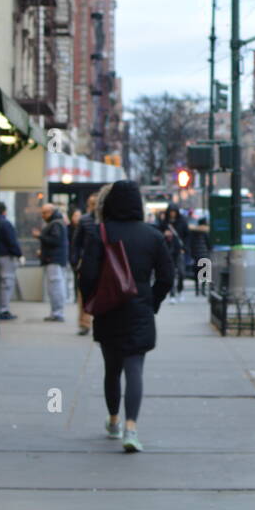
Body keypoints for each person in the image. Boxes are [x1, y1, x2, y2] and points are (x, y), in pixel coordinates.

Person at [78, 180, 174, 453]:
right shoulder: (153, 236)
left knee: (112, 369)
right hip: (140, 309)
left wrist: (92, 301)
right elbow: (167, 276)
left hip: (108, 309)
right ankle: (131, 427)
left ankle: (113, 420)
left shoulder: (100, 233)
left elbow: (87, 276)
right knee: (135, 370)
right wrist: (152, 302)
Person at [70, 193, 98, 335]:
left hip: (98, 261)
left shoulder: (105, 220)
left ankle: (89, 322)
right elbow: (76, 242)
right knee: (84, 294)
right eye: (92, 204)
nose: (94, 207)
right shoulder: (85, 220)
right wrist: (75, 262)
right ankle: (84, 322)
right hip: (86, 261)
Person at [38, 203, 69, 321]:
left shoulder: (56, 224)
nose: (43, 215)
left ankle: (58, 312)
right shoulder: (57, 223)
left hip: (54, 259)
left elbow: (55, 241)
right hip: (53, 259)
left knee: (55, 286)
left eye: (44, 213)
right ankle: (56, 311)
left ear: (51, 212)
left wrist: (40, 236)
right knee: (54, 286)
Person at [0, 202, 23, 320]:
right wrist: (19, 254)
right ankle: (3, 309)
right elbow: (12, 241)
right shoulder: (5, 223)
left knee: (0, 283)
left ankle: (0, 308)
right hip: (6, 256)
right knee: (7, 283)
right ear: (4, 211)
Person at [157, 203, 187, 302]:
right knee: (171, 273)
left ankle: (180, 290)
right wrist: (164, 234)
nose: (172, 214)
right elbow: (157, 235)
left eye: (174, 212)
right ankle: (172, 294)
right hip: (168, 250)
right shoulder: (164, 223)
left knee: (182, 272)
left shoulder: (182, 222)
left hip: (179, 250)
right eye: (171, 212)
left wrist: (185, 248)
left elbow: (187, 236)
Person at [186, 217, 211, 297]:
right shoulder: (205, 233)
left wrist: (191, 254)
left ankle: (197, 290)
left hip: (196, 255)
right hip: (204, 255)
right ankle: (203, 289)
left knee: (196, 273)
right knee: (204, 273)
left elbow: (190, 244)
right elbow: (209, 244)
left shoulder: (193, 233)